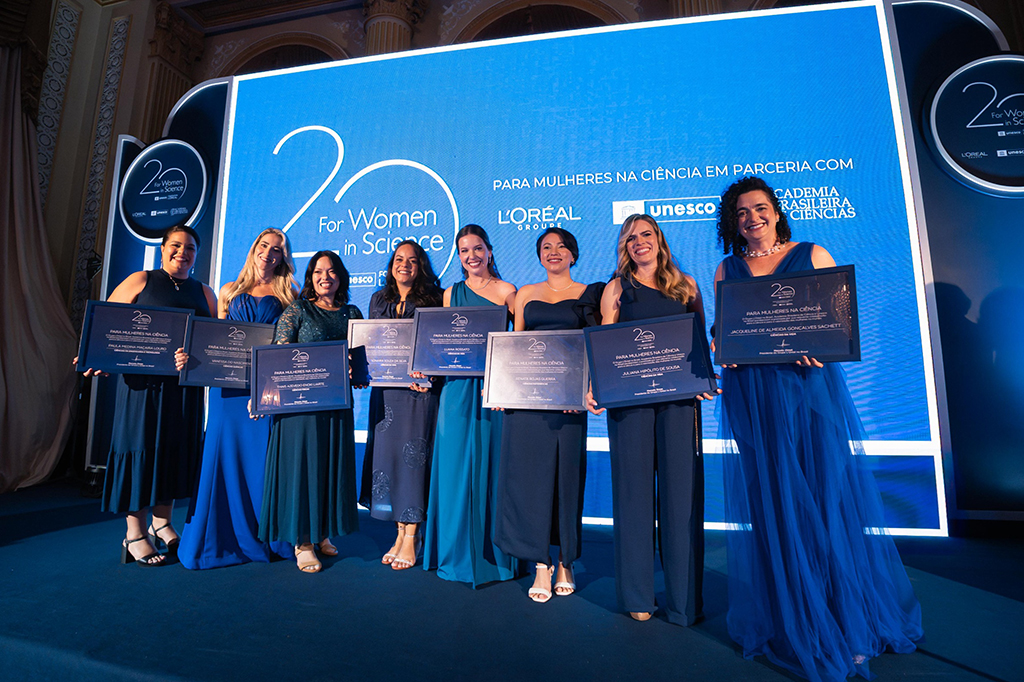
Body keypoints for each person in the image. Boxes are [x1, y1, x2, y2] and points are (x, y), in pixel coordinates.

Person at [713, 176, 922, 681]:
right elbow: (724, 332)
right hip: (755, 397)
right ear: (732, 222)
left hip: (807, 392)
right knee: (776, 508)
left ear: (777, 213)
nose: (752, 219)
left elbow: (839, 322)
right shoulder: (727, 268)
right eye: (742, 213)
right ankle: (794, 620)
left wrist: (820, 346)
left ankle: (845, 624)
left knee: (824, 503)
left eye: (760, 209)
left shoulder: (813, 253)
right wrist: (725, 349)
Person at [587, 214, 714, 624]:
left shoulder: (686, 286)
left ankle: (684, 601)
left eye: (646, 234)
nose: (638, 242)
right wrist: (596, 386)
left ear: (659, 240)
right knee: (633, 496)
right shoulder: (616, 290)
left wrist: (706, 379)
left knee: (682, 499)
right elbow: (606, 342)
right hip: (630, 407)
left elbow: (699, 341)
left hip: (680, 405)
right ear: (623, 247)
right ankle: (639, 596)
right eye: (630, 237)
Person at [79, 225, 217, 566]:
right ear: (163, 249)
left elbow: (211, 342)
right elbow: (104, 326)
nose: (181, 252)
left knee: (172, 451)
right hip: (141, 389)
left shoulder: (205, 292)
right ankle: (134, 533)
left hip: (183, 390)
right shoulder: (141, 280)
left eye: (189, 248)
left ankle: (163, 523)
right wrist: (94, 356)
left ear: (196, 255)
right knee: (139, 449)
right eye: (175, 245)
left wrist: (197, 357)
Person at [176, 228, 298, 569]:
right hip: (227, 391)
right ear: (253, 248)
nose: (269, 253)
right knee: (222, 454)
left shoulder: (290, 293)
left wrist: (268, 389)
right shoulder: (229, 291)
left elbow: (290, 349)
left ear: (283, 257)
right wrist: (192, 359)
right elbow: (213, 342)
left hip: (266, 390)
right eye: (264, 246)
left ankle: (266, 535)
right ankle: (216, 539)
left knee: (261, 460)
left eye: (277, 249)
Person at [494, 228, 603, 602]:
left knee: (566, 480)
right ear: (539, 256)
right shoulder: (525, 294)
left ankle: (565, 560)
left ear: (573, 254)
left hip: (569, 404)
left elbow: (597, 347)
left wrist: (585, 389)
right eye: (546, 247)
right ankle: (540, 562)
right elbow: (516, 346)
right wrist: (502, 388)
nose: (553, 252)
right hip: (527, 406)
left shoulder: (593, 294)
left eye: (561, 247)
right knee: (528, 480)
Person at [423, 225, 519, 587]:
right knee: (452, 471)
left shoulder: (509, 292)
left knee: (492, 468)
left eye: (477, 249)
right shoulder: (451, 294)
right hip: (456, 389)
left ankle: (494, 556)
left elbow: (517, 341)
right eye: (464, 251)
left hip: (493, 389)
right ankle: (453, 551)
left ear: (489, 251)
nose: (471, 256)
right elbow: (446, 344)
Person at [258, 250, 364, 574]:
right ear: (310, 277)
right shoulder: (298, 311)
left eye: (332, 272)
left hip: (336, 407)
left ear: (341, 277)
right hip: (301, 410)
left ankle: (321, 532)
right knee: (303, 469)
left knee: (329, 467)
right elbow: (277, 357)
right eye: (318, 272)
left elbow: (361, 362)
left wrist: (353, 371)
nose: (325, 277)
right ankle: (302, 541)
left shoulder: (352, 312)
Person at [359, 240, 444, 571]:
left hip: (418, 394)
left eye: (412, 260)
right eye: (398, 259)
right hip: (386, 394)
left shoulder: (434, 298)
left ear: (421, 265)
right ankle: (399, 533)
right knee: (389, 461)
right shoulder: (378, 299)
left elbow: (439, 345)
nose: (404, 264)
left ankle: (413, 535)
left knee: (414, 461)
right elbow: (371, 344)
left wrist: (429, 370)